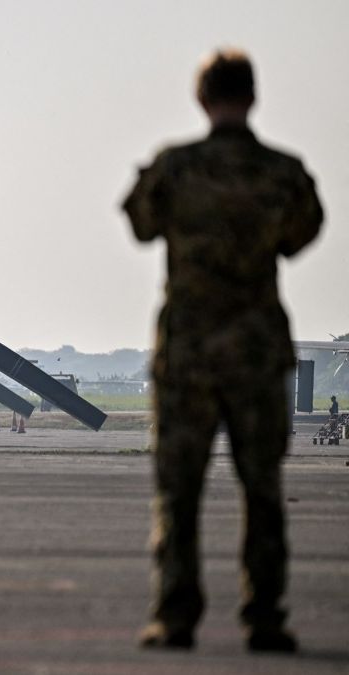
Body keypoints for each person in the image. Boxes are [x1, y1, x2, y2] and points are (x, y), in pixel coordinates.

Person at [123, 48, 322, 653]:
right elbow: (301, 234)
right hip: (256, 351)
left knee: (179, 489)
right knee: (261, 487)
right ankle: (265, 616)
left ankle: (174, 615)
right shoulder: (283, 173)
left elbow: (140, 224)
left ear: (202, 99)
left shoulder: (175, 168)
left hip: (188, 353)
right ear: (253, 98)